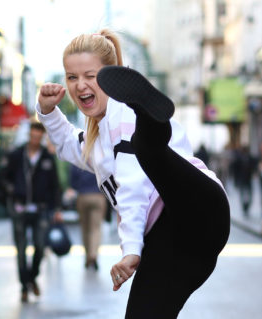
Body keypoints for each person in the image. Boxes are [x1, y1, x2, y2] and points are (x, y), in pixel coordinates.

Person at [36, 29, 229, 317]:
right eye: (72, 77)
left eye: (91, 76)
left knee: (144, 149)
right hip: (180, 243)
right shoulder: (98, 142)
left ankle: (149, 119)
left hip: (194, 205)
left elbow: (133, 190)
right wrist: (47, 111)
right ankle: (150, 125)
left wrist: (131, 250)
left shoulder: (120, 113)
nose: (80, 86)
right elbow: (67, 144)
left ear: (111, 76)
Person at [3, 122, 62, 303]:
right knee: (20, 250)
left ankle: (32, 277)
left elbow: (55, 185)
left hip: (41, 209)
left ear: (42, 137)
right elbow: (2, 177)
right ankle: (24, 286)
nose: (35, 140)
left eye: (38, 137)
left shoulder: (47, 158)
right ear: (28, 136)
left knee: (39, 246)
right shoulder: (16, 155)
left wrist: (56, 208)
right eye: (32, 136)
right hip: (19, 209)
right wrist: (11, 192)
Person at [70, 163, 107, 271]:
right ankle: (93, 254)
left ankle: (87, 257)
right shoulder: (99, 157)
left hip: (83, 195)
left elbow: (73, 182)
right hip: (98, 195)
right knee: (95, 228)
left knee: (85, 228)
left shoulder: (78, 159)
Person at [231, 145, 255, 218]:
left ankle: (247, 207)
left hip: (248, 180)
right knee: (242, 195)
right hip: (242, 180)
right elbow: (235, 171)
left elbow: (253, 167)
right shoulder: (238, 159)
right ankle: (244, 208)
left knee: (249, 195)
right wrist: (236, 181)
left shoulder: (250, 158)